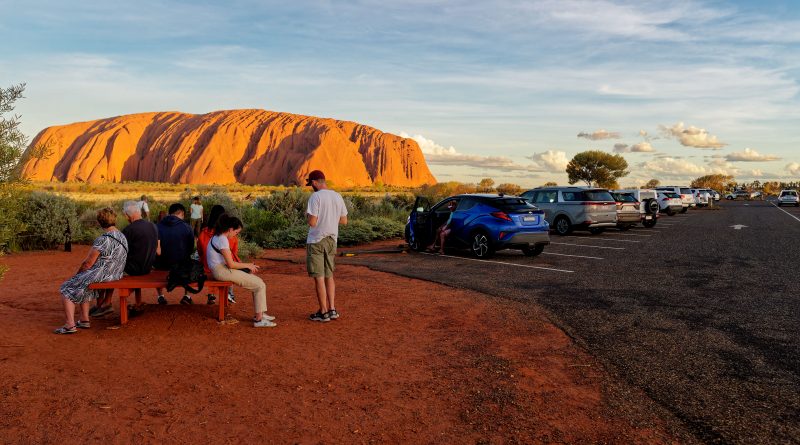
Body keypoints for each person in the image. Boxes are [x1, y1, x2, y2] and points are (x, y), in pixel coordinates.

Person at [54, 208, 128, 334]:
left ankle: (70, 325)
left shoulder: (103, 239)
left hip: (102, 275)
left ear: (99, 222)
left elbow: (88, 263)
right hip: (116, 274)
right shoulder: (122, 236)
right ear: (114, 220)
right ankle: (84, 320)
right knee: (83, 285)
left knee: (66, 288)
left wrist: (77, 274)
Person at [92, 201, 160, 317]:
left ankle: (105, 304)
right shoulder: (152, 226)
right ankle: (104, 304)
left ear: (128, 215)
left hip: (134, 269)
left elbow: (119, 252)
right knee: (113, 267)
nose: (126, 217)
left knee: (106, 268)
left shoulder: (129, 230)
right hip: (147, 267)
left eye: (126, 215)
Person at [206, 215, 275, 328]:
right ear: (230, 229)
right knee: (259, 284)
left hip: (219, 270)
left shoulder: (217, 236)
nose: (235, 235)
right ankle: (259, 319)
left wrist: (246, 267)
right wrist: (248, 265)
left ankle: (260, 313)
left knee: (258, 282)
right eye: (236, 232)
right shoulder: (223, 240)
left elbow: (229, 263)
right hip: (221, 271)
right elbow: (231, 264)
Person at [304, 170, 348, 323]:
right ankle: (332, 309)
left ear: (315, 182)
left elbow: (312, 222)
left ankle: (323, 312)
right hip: (332, 240)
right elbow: (344, 221)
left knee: (319, 277)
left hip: (316, 241)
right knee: (329, 275)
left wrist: (308, 216)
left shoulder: (315, 197)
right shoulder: (337, 196)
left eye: (311, 184)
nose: (311, 187)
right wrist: (329, 219)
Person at [197, 204, 240, 305]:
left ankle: (211, 295)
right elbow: (234, 253)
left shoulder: (203, 233)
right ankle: (230, 293)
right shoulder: (230, 236)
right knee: (231, 264)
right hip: (223, 269)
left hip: (206, 267)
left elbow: (200, 251)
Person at [154, 203, 194, 304]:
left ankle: (160, 296)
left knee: (157, 262)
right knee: (189, 261)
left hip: (162, 265)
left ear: (169, 213)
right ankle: (187, 296)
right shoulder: (187, 227)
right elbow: (190, 249)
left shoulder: (157, 226)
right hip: (181, 266)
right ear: (182, 213)